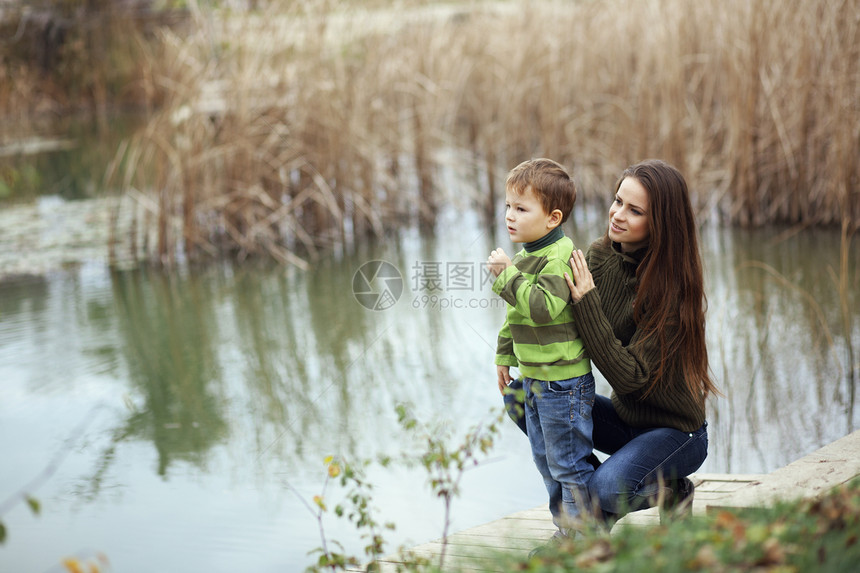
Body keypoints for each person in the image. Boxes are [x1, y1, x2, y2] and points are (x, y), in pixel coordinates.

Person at [561, 159, 719, 528]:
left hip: (678, 433)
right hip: (626, 420)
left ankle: (670, 491)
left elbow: (632, 378)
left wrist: (586, 303)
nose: (617, 214)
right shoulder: (600, 256)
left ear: (659, 224)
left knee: (606, 490)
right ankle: (583, 516)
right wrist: (509, 349)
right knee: (528, 399)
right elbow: (557, 313)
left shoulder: (672, 291)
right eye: (618, 201)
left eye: (634, 211)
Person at [486, 158, 595, 537]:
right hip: (535, 380)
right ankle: (566, 531)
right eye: (508, 207)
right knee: (547, 463)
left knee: (568, 465)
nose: (509, 217)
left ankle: (586, 537)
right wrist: (504, 355)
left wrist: (506, 275)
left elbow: (544, 309)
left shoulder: (558, 256)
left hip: (562, 385)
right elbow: (517, 316)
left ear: (553, 218)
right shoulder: (528, 254)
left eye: (521, 208)